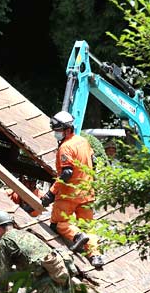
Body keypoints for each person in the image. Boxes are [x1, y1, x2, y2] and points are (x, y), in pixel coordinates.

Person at [41, 111, 104, 269]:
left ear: (67, 129)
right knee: (88, 225)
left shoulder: (66, 148)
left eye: (58, 130)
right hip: (87, 192)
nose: (56, 134)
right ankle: (95, 256)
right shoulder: (83, 141)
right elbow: (93, 163)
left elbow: (67, 173)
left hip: (68, 195)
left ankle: (77, 236)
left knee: (58, 223)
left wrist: (51, 192)